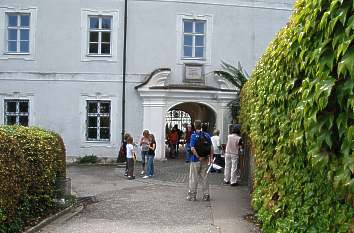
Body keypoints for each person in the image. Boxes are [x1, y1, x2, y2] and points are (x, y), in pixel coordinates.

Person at [187, 120, 213, 201]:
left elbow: (192, 148)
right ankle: (206, 195)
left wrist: (198, 157)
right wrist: (211, 158)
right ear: (201, 126)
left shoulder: (194, 136)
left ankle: (192, 195)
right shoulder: (206, 135)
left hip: (195, 160)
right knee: (204, 177)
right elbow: (211, 147)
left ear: (195, 126)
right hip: (205, 159)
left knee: (193, 178)